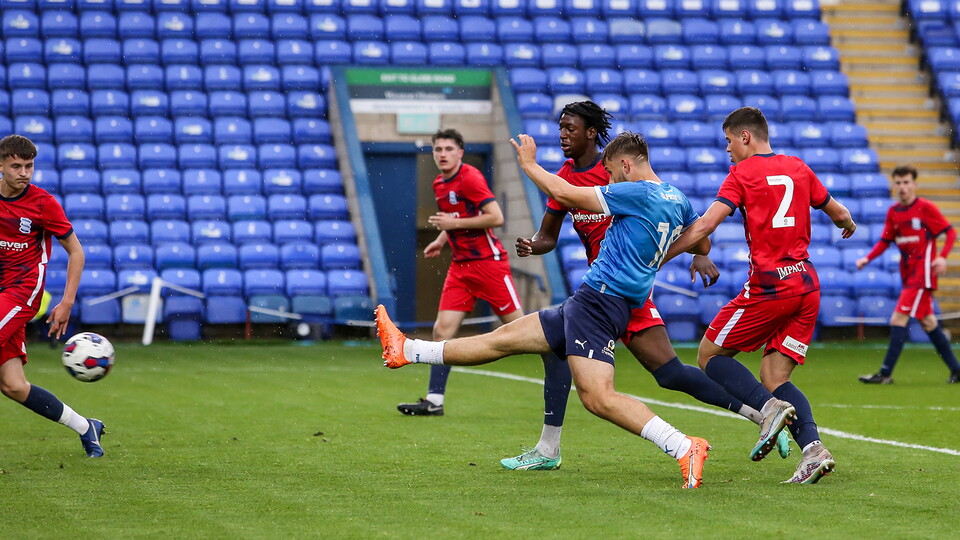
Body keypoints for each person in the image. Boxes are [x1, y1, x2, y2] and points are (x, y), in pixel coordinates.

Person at [379, 131, 713, 489]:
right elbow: (703, 240)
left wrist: (528, 164)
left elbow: (565, 193)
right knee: (502, 339)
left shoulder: (637, 191)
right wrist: (655, 257)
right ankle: (408, 350)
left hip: (600, 303)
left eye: (613, 174)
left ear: (626, 165)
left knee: (598, 397)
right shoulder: (676, 197)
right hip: (592, 300)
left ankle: (683, 445)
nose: (611, 181)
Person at [502, 101, 789, 471]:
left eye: (570, 128)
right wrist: (533, 244)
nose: (562, 135)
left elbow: (682, 225)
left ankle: (760, 413)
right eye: (560, 128)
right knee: (563, 349)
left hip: (623, 292)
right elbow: (548, 235)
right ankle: (548, 447)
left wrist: (698, 253)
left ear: (592, 133)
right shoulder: (565, 177)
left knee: (667, 373)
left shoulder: (629, 185)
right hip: (600, 290)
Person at [662, 107, 857, 484]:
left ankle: (769, 411)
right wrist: (847, 223)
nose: (728, 150)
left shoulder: (742, 173)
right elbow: (840, 212)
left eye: (729, 141)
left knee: (709, 354)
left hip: (771, 286)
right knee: (773, 374)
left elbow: (706, 223)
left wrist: (661, 258)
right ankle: (814, 451)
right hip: (806, 285)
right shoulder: (799, 168)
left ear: (745, 136)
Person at [396, 129, 529, 416]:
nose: (442, 154)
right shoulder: (439, 184)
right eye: (437, 149)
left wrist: (452, 225)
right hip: (460, 267)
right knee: (442, 330)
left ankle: (563, 364)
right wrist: (440, 240)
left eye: (448, 149)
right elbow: (454, 219)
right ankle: (434, 402)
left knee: (524, 332)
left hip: (488, 265)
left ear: (460, 152)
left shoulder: (469, 177)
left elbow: (496, 217)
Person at [0, 134, 104, 457]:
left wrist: (67, 301)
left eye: (29, 166)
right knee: (13, 385)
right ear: (1, 165)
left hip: (22, 290)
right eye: (16, 166)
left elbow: (76, 252)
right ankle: (87, 427)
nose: (24, 173)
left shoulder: (43, 203)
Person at [855, 165, 960, 384]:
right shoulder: (893, 212)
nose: (902, 187)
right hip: (908, 275)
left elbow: (950, 233)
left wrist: (942, 256)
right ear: (893, 185)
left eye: (906, 182)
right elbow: (885, 240)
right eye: (899, 183)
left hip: (923, 275)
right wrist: (868, 258)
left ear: (915, 185)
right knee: (928, 322)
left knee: (898, 318)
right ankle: (957, 370)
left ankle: (885, 373)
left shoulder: (925, 208)